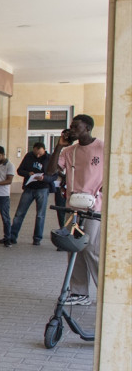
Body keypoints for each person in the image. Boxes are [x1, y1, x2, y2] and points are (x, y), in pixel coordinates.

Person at [47, 114, 104, 306]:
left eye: (76, 126)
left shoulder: (102, 147)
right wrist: (59, 146)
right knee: (74, 248)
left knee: (90, 249)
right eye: (71, 126)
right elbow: (50, 171)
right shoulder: (69, 150)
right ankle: (79, 292)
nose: (72, 130)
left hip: (95, 207)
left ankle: (105, 292)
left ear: (87, 128)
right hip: (73, 207)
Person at [9, 142, 52, 245]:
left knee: (40, 215)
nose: (38, 156)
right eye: (36, 153)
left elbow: (54, 175)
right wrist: (28, 173)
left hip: (42, 188)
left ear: (44, 150)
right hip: (29, 188)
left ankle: (37, 238)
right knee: (20, 213)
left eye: (40, 154)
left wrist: (44, 178)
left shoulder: (49, 158)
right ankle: (12, 236)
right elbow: (19, 170)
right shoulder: (29, 156)